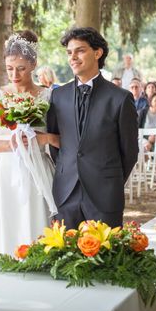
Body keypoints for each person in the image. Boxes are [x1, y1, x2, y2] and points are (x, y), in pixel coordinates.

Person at [0, 30, 58, 261]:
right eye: (9, 68)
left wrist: (41, 139)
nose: (14, 74)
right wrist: (11, 145)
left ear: (33, 64)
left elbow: (59, 137)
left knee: (31, 221)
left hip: (35, 169)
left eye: (21, 68)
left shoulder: (48, 96)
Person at [47, 27, 138, 229]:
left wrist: (109, 181)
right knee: (64, 258)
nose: (73, 57)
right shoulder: (57, 96)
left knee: (105, 259)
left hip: (105, 194)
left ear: (98, 53)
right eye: (69, 53)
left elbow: (130, 151)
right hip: (65, 192)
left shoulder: (121, 99)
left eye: (80, 51)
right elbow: (56, 140)